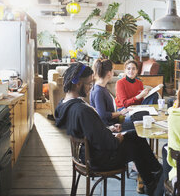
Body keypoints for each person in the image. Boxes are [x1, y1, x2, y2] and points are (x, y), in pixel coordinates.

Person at [54, 62, 162, 195]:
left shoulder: (63, 105)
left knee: (134, 136)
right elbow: (107, 143)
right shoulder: (81, 110)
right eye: (89, 84)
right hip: (98, 159)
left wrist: (109, 128)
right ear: (78, 84)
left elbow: (91, 131)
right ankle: (155, 175)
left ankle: (151, 179)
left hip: (86, 154)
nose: (90, 87)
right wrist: (118, 138)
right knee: (135, 143)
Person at [90, 59, 133, 130]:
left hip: (113, 124)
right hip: (109, 128)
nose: (113, 73)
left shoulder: (101, 87)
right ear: (109, 73)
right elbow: (102, 115)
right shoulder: (98, 91)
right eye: (113, 70)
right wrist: (120, 113)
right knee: (137, 126)